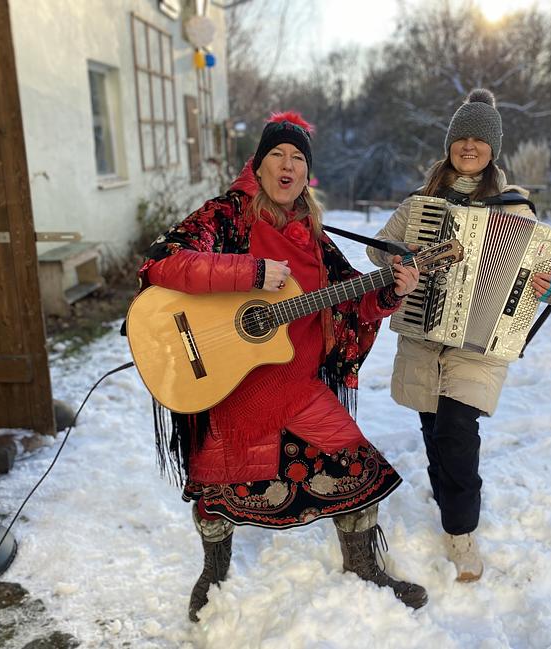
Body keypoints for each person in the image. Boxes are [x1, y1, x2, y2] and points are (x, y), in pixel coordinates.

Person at [137, 111, 427, 622]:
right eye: (278, 154)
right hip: (230, 384)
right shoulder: (227, 215)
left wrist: (387, 291)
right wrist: (249, 271)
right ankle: (213, 574)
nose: (288, 164)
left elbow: (347, 301)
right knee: (213, 489)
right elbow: (164, 260)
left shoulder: (314, 232)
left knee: (359, 469)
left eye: (298, 157)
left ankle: (363, 568)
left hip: (297, 385)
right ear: (259, 163)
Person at [366, 89, 551, 583]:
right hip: (424, 332)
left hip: (480, 344)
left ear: (493, 148)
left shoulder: (516, 208)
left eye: (480, 139)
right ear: (450, 144)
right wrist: (396, 256)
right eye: (462, 138)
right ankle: (446, 493)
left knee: (458, 433)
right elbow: (379, 249)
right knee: (434, 431)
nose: (470, 147)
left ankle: (461, 532)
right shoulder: (422, 202)